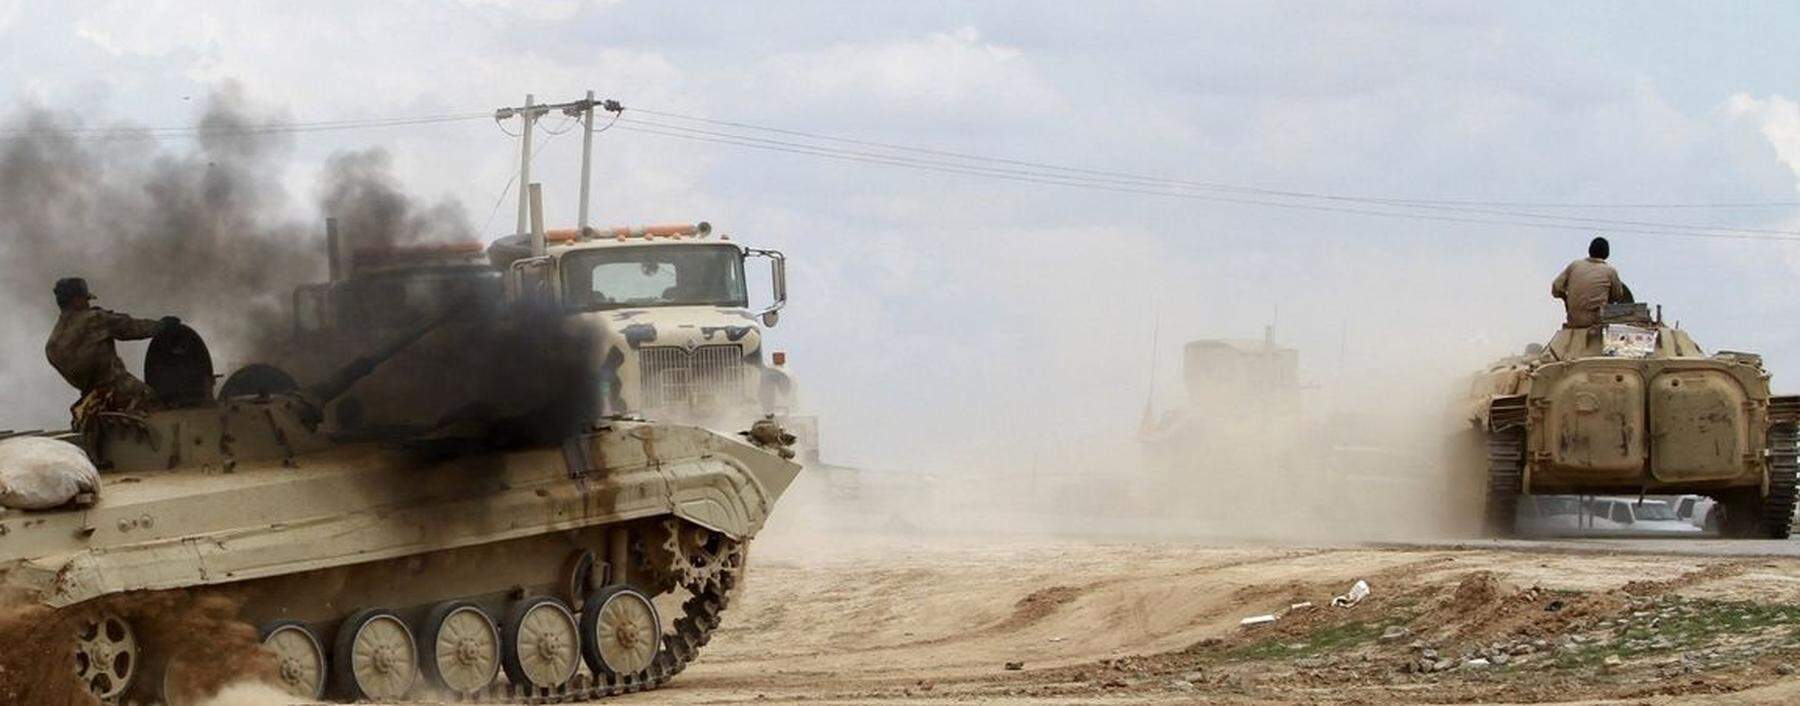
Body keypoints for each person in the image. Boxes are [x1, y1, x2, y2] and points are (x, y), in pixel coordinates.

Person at [44, 277, 179, 425]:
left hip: (90, 401)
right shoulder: (94, 319)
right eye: (85, 299)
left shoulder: (53, 343)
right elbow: (130, 328)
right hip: (119, 389)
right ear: (76, 300)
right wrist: (162, 326)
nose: (88, 304)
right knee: (160, 409)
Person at [1551, 237, 1632, 328]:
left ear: (1590, 250)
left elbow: (1556, 287)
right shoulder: (1610, 271)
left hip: (1574, 321)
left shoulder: (1575, 265)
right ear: (1607, 254)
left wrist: (1566, 299)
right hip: (1596, 322)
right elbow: (1617, 296)